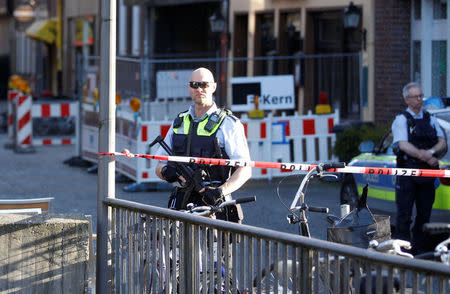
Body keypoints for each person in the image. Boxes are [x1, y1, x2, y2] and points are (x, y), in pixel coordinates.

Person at [154, 67, 252, 223]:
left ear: (213, 87)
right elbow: (159, 165)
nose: (199, 89)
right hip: (182, 203)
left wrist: (221, 191)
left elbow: (245, 169)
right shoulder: (179, 122)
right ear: (189, 88)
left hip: (215, 204)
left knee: (218, 247)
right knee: (179, 248)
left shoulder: (229, 124)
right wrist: (166, 171)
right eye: (194, 84)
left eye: (204, 85)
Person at [391, 82, 447, 254]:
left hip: (427, 173)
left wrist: (430, 152)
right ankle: (403, 251)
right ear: (407, 100)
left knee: (424, 214)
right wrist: (424, 156)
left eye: (420, 96)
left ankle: (420, 250)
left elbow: (442, 142)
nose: (419, 99)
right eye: (415, 96)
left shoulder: (431, 118)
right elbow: (403, 145)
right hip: (408, 172)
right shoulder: (401, 120)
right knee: (404, 215)